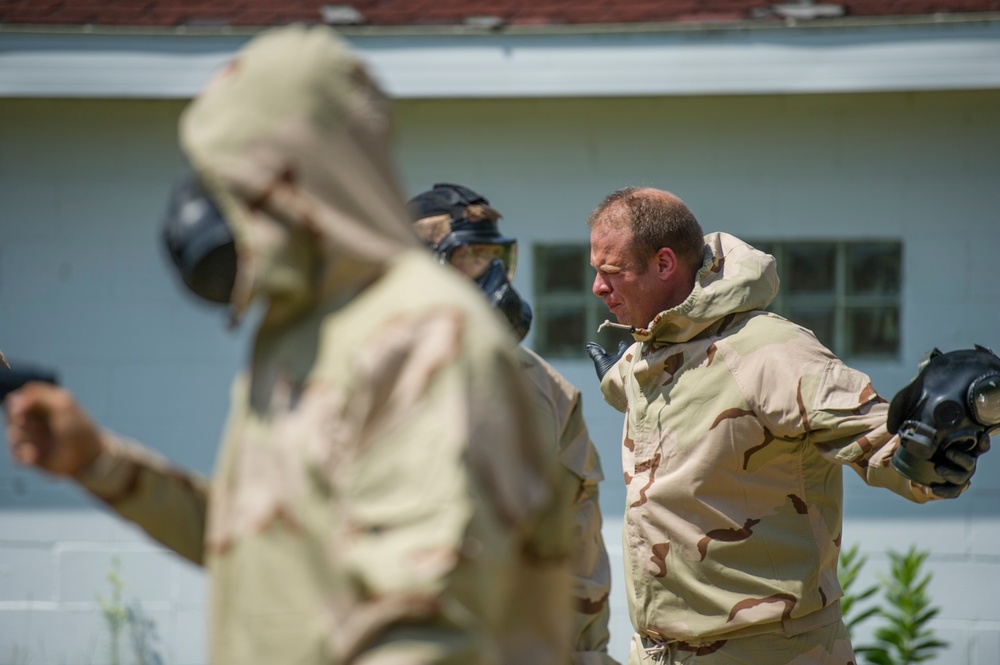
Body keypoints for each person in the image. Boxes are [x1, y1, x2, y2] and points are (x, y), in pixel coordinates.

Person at [4, 26, 576, 665]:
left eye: (233, 176)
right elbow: (262, 545)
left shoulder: (421, 339)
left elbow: (425, 635)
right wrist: (101, 463)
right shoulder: (304, 335)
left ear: (303, 175)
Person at [583, 187, 986, 664]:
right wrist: (620, 381)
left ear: (665, 264)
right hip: (660, 653)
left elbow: (883, 441)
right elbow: (674, 391)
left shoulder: (771, 351)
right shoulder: (650, 349)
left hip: (769, 651)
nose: (597, 288)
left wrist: (935, 450)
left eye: (611, 272)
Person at [408, 183, 620, 665]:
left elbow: (577, 551)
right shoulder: (360, 381)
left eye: (499, 256)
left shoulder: (545, 390)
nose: (494, 275)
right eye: (473, 256)